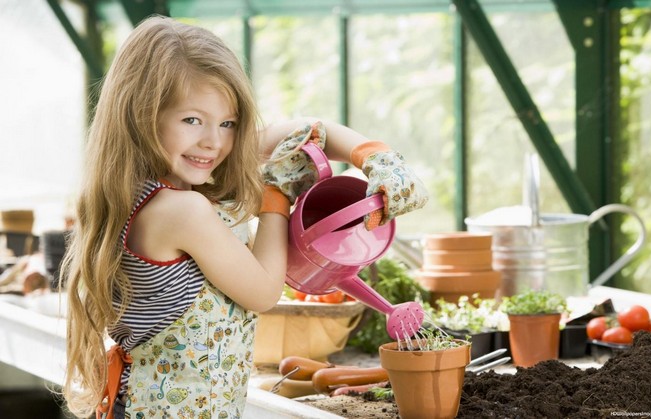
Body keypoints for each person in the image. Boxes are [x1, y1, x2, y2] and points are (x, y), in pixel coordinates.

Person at [59, 15, 428, 419]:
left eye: (228, 123)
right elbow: (263, 291)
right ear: (141, 114)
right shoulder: (181, 211)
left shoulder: (148, 188)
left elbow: (304, 132)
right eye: (191, 120)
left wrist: (374, 156)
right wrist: (275, 196)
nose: (213, 142)